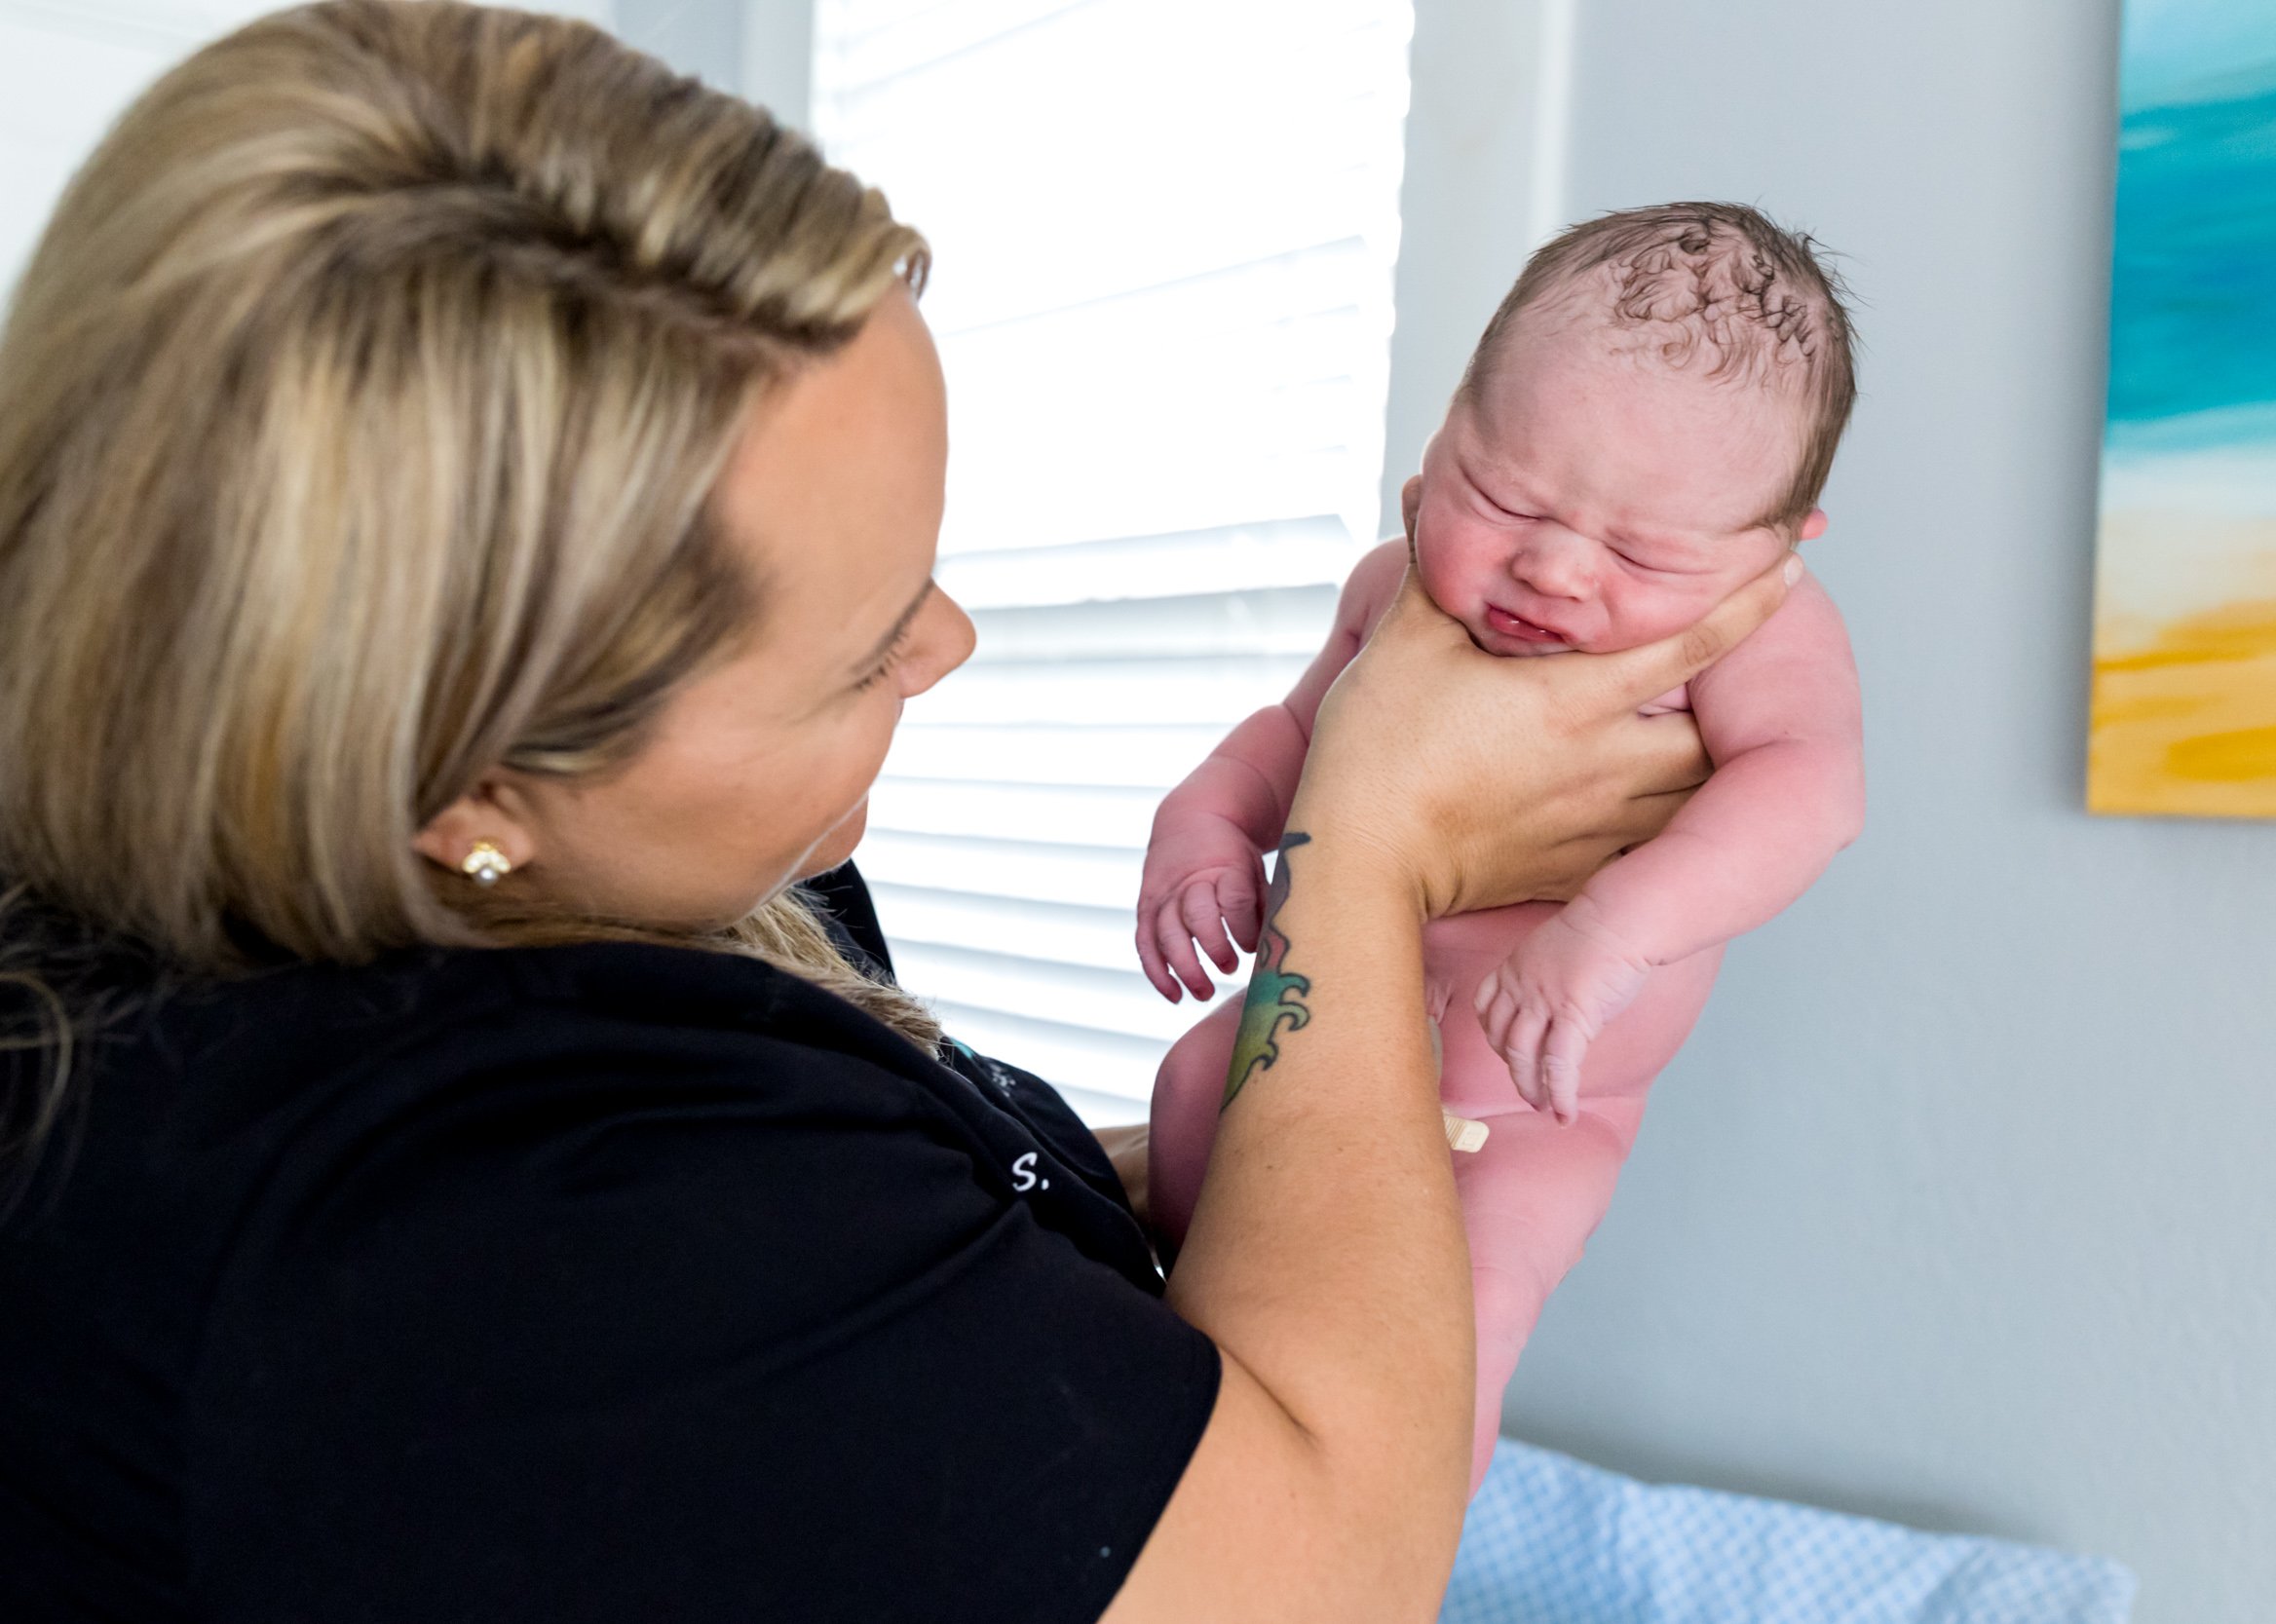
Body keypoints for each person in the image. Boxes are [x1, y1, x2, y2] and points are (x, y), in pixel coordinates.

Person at [0, 6, 1799, 1620]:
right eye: (861, 651)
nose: (944, 643)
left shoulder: (628, 894)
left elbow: (888, 1266)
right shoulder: (475, 1215)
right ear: (470, 783)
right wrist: (1372, 833)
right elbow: (1320, 1577)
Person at [1136, 205, 1867, 1487]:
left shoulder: (1758, 639)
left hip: (1527, 1115)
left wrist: (1611, 930)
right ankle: (1182, 1415)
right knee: (1191, 1104)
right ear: (1443, 432)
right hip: (1302, 1036)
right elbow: (1289, 735)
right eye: (1502, 493)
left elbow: (1809, 795)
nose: (1553, 569)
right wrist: (1203, 825)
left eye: (1641, 552)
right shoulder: (1396, 591)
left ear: (1776, 553)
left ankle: (1370, 1551)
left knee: (1457, 1330)